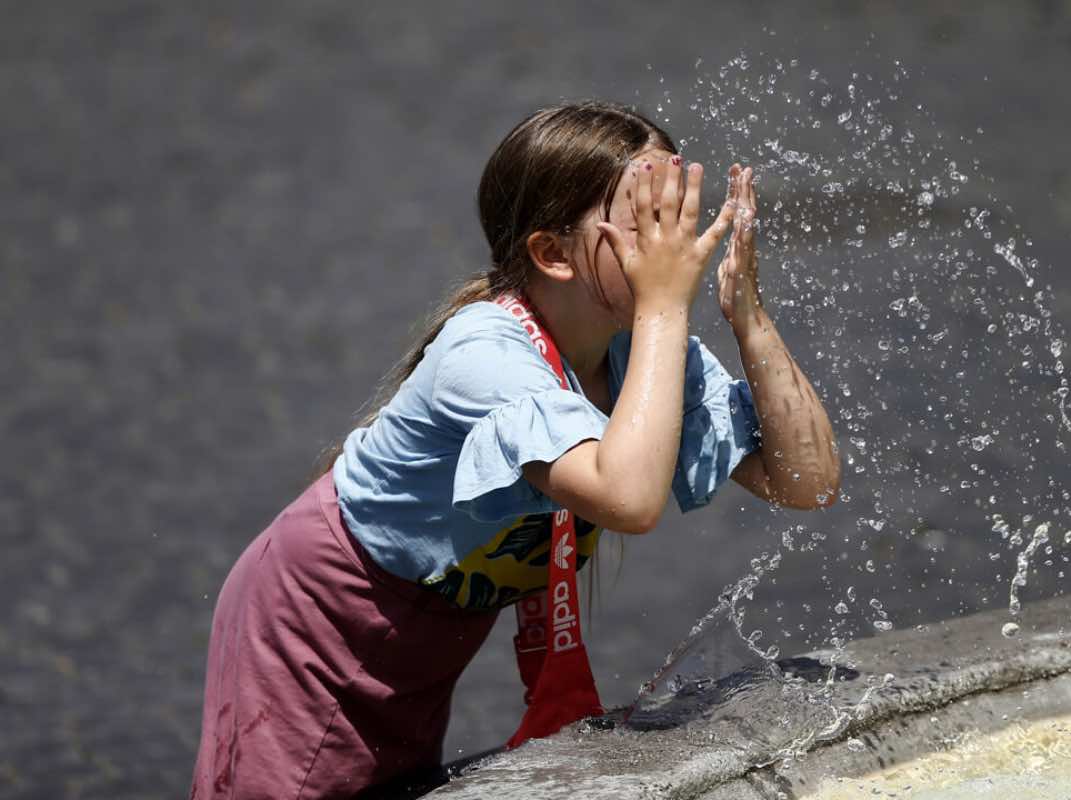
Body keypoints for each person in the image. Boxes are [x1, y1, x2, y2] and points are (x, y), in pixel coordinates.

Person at [189, 101, 840, 799]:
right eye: (645, 221)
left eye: (677, 209)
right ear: (553, 253)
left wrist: (749, 315)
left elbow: (804, 481)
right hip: (323, 623)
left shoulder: (640, 350)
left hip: (430, 623)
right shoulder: (485, 353)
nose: (676, 243)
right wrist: (664, 306)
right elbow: (627, 498)